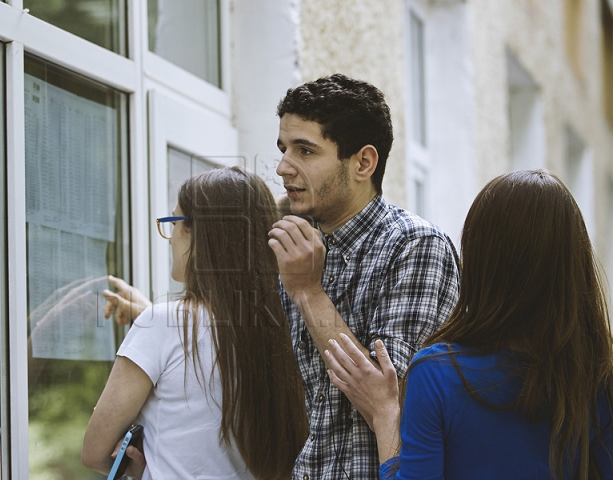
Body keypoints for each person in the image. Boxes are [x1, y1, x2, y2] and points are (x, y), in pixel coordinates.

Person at [326, 169, 613, 479]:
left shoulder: (437, 375)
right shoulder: (596, 375)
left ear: (481, 263)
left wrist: (385, 416)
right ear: (574, 266)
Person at [266, 73, 461, 479]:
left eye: (305, 151)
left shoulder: (416, 246)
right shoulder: (302, 250)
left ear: (363, 162)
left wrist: (307, 291)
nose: (284, 167)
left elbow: (391, 400)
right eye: (284, 149)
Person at [81, 167, 308, 479]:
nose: (170, 238)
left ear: (201, 234)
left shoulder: (161, 325)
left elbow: (94, 452)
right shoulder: (278, 326)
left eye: (174, 223)